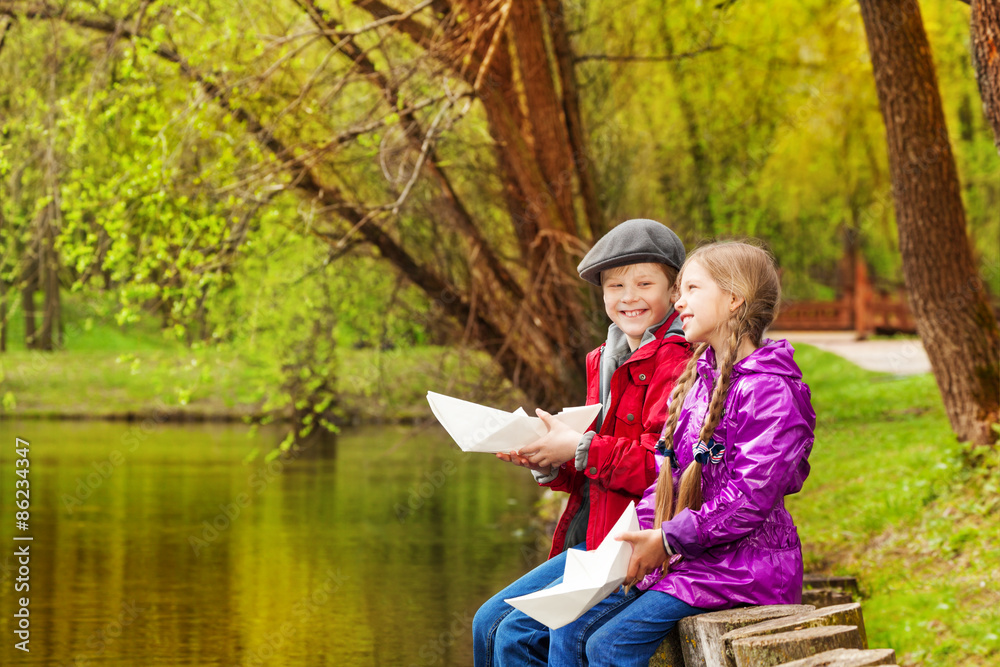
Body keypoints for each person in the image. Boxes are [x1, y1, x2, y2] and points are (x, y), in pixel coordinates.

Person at [546, 241, 816, 667]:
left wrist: (668, 539)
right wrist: (634, 541)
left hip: (744, 569)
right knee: (567, 624)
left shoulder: (770, 392)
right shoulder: (700, 381)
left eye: (691, 289)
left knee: (608, 646)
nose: (679, 301)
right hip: (692, 559)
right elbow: (666, 477)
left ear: (732, 300)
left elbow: (748, 499)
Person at [473, 218, 694, 667]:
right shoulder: (605, 357)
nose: (628, 296)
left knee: (514, 632)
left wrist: (580, 447)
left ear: (674, 291)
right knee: (486, 623)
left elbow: (663, 468)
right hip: (595, 533)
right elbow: (593, 470)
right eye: (615, 286)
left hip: (636, 542)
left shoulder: (680, 359)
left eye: (644, 282)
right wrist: (548, 459)